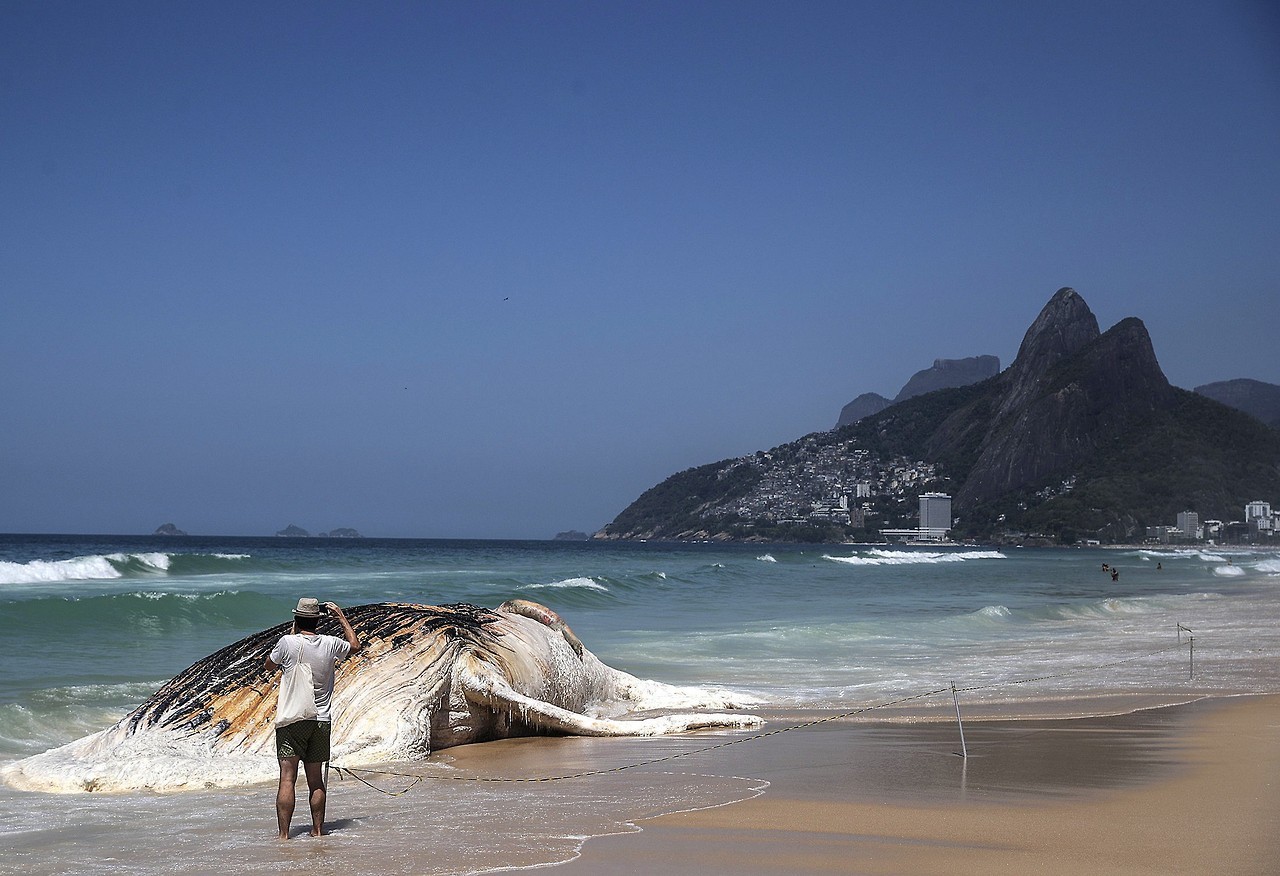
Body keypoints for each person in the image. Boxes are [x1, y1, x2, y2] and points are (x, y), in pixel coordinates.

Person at [265, 598, 361, 839]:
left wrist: (291, 635)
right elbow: (355, 646)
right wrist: (340, 616)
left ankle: (284, 835)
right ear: (318, 620)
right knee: (316, 780)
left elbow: (268, 665)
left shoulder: (287, 642)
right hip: (321, 720)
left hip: (292, 720)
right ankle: (317, 831)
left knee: (287, 779)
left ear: (296, 619)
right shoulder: (329, 644)